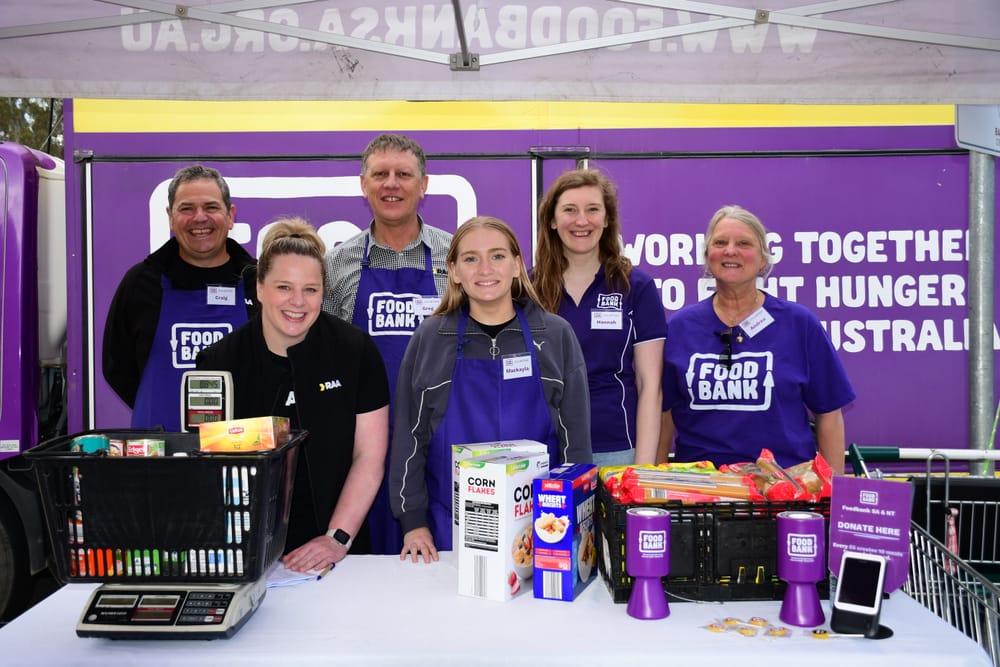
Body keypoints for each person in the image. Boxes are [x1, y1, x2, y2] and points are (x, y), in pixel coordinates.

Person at [390, 216, 592, 563]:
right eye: (470, 258)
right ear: (453, 270)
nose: (485, 268)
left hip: (541, 529)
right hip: (445, 533)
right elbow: (410, 438)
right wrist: (413, 522)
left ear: (517, 265)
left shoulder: (556, 336)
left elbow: (576, 444)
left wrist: (572, 521)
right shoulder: (430, 338)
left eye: (497, 256)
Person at [197, 217, 389, 571]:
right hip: (248, 554)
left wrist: (336, 538)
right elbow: (213, 467)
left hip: (339, 552)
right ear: (259, 288)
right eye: (284, 287)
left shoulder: (356, 351)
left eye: (311, 290)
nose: (298, 302)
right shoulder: (219, 362)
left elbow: (369, 456)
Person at [323, 133, 452, 555]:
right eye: (380, 174)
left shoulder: (456, 257)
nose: (391, 184)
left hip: (440, 442)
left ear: (424, 184)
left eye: (403, 174)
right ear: (364, 185)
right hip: (362, 447)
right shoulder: (337, 264)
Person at [659, 205, 854, 474]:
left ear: (763, 259)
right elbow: (663, 416)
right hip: (702, 491)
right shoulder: (679, 328)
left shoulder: (800, 324)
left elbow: (830, 415)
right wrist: (654, 482)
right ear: (707, 256)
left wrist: (833, 494)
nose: (730, 250)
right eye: (720, 242)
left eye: (743, 243)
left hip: (785, 489)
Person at [103, 164, 256, 431]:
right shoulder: (141, 283)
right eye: (186, 209)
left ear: (230, 215)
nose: (200, 218)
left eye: (211, 207)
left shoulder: (259, 282)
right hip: (160, 456)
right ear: (171, 217)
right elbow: (117, 367)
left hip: (243, 453)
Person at [534, 169, 666, 467]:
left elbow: (650, 385)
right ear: (553, 221)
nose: (582, 221)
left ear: (607, 220)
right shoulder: (528, 289)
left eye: (593, 210)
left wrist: (642, 468)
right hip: (544, 449)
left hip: (615, 449)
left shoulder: (637, 287)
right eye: (570, 210)